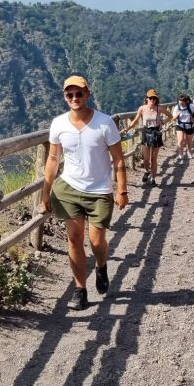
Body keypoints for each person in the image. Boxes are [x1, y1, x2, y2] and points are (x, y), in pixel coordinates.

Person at [39, 75, 128, 310]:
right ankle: (80, 289)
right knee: (75, 238)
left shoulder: (105, 123)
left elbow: (118, 160)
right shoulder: (59, 124)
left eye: (79, 93)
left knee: (96, 241)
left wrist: (122, 190)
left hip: (99, 190)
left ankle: (100, 266)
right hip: (68, 188)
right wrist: (46, 192)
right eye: (70, 94)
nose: (75, 98)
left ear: (88, 94)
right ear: (64, 97)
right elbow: (53, 158)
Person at [124, 88, 172, 185]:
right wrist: (127, 129)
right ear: (146, 99)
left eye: (154, 99)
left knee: (153, 159)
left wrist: (162, 122)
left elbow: (170, 116)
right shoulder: (142, 108)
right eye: (151, 98)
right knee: (146, 159)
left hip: (156, 132)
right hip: (146, 132)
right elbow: (135, 120)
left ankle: (153, 179)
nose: (152, 101)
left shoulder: (159, 108)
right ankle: (147, 171)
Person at [172, 93, 194, 162]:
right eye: (179, 100)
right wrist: (177, 114)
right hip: (179, 125)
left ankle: (189, 152)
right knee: (180, 140)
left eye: (182, 101)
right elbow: (173, 119)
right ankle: (180, 154)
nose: (180, 102)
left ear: (186, 101)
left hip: (189, 125)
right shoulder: (176, 107)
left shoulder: (190, 106)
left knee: (189, 141)